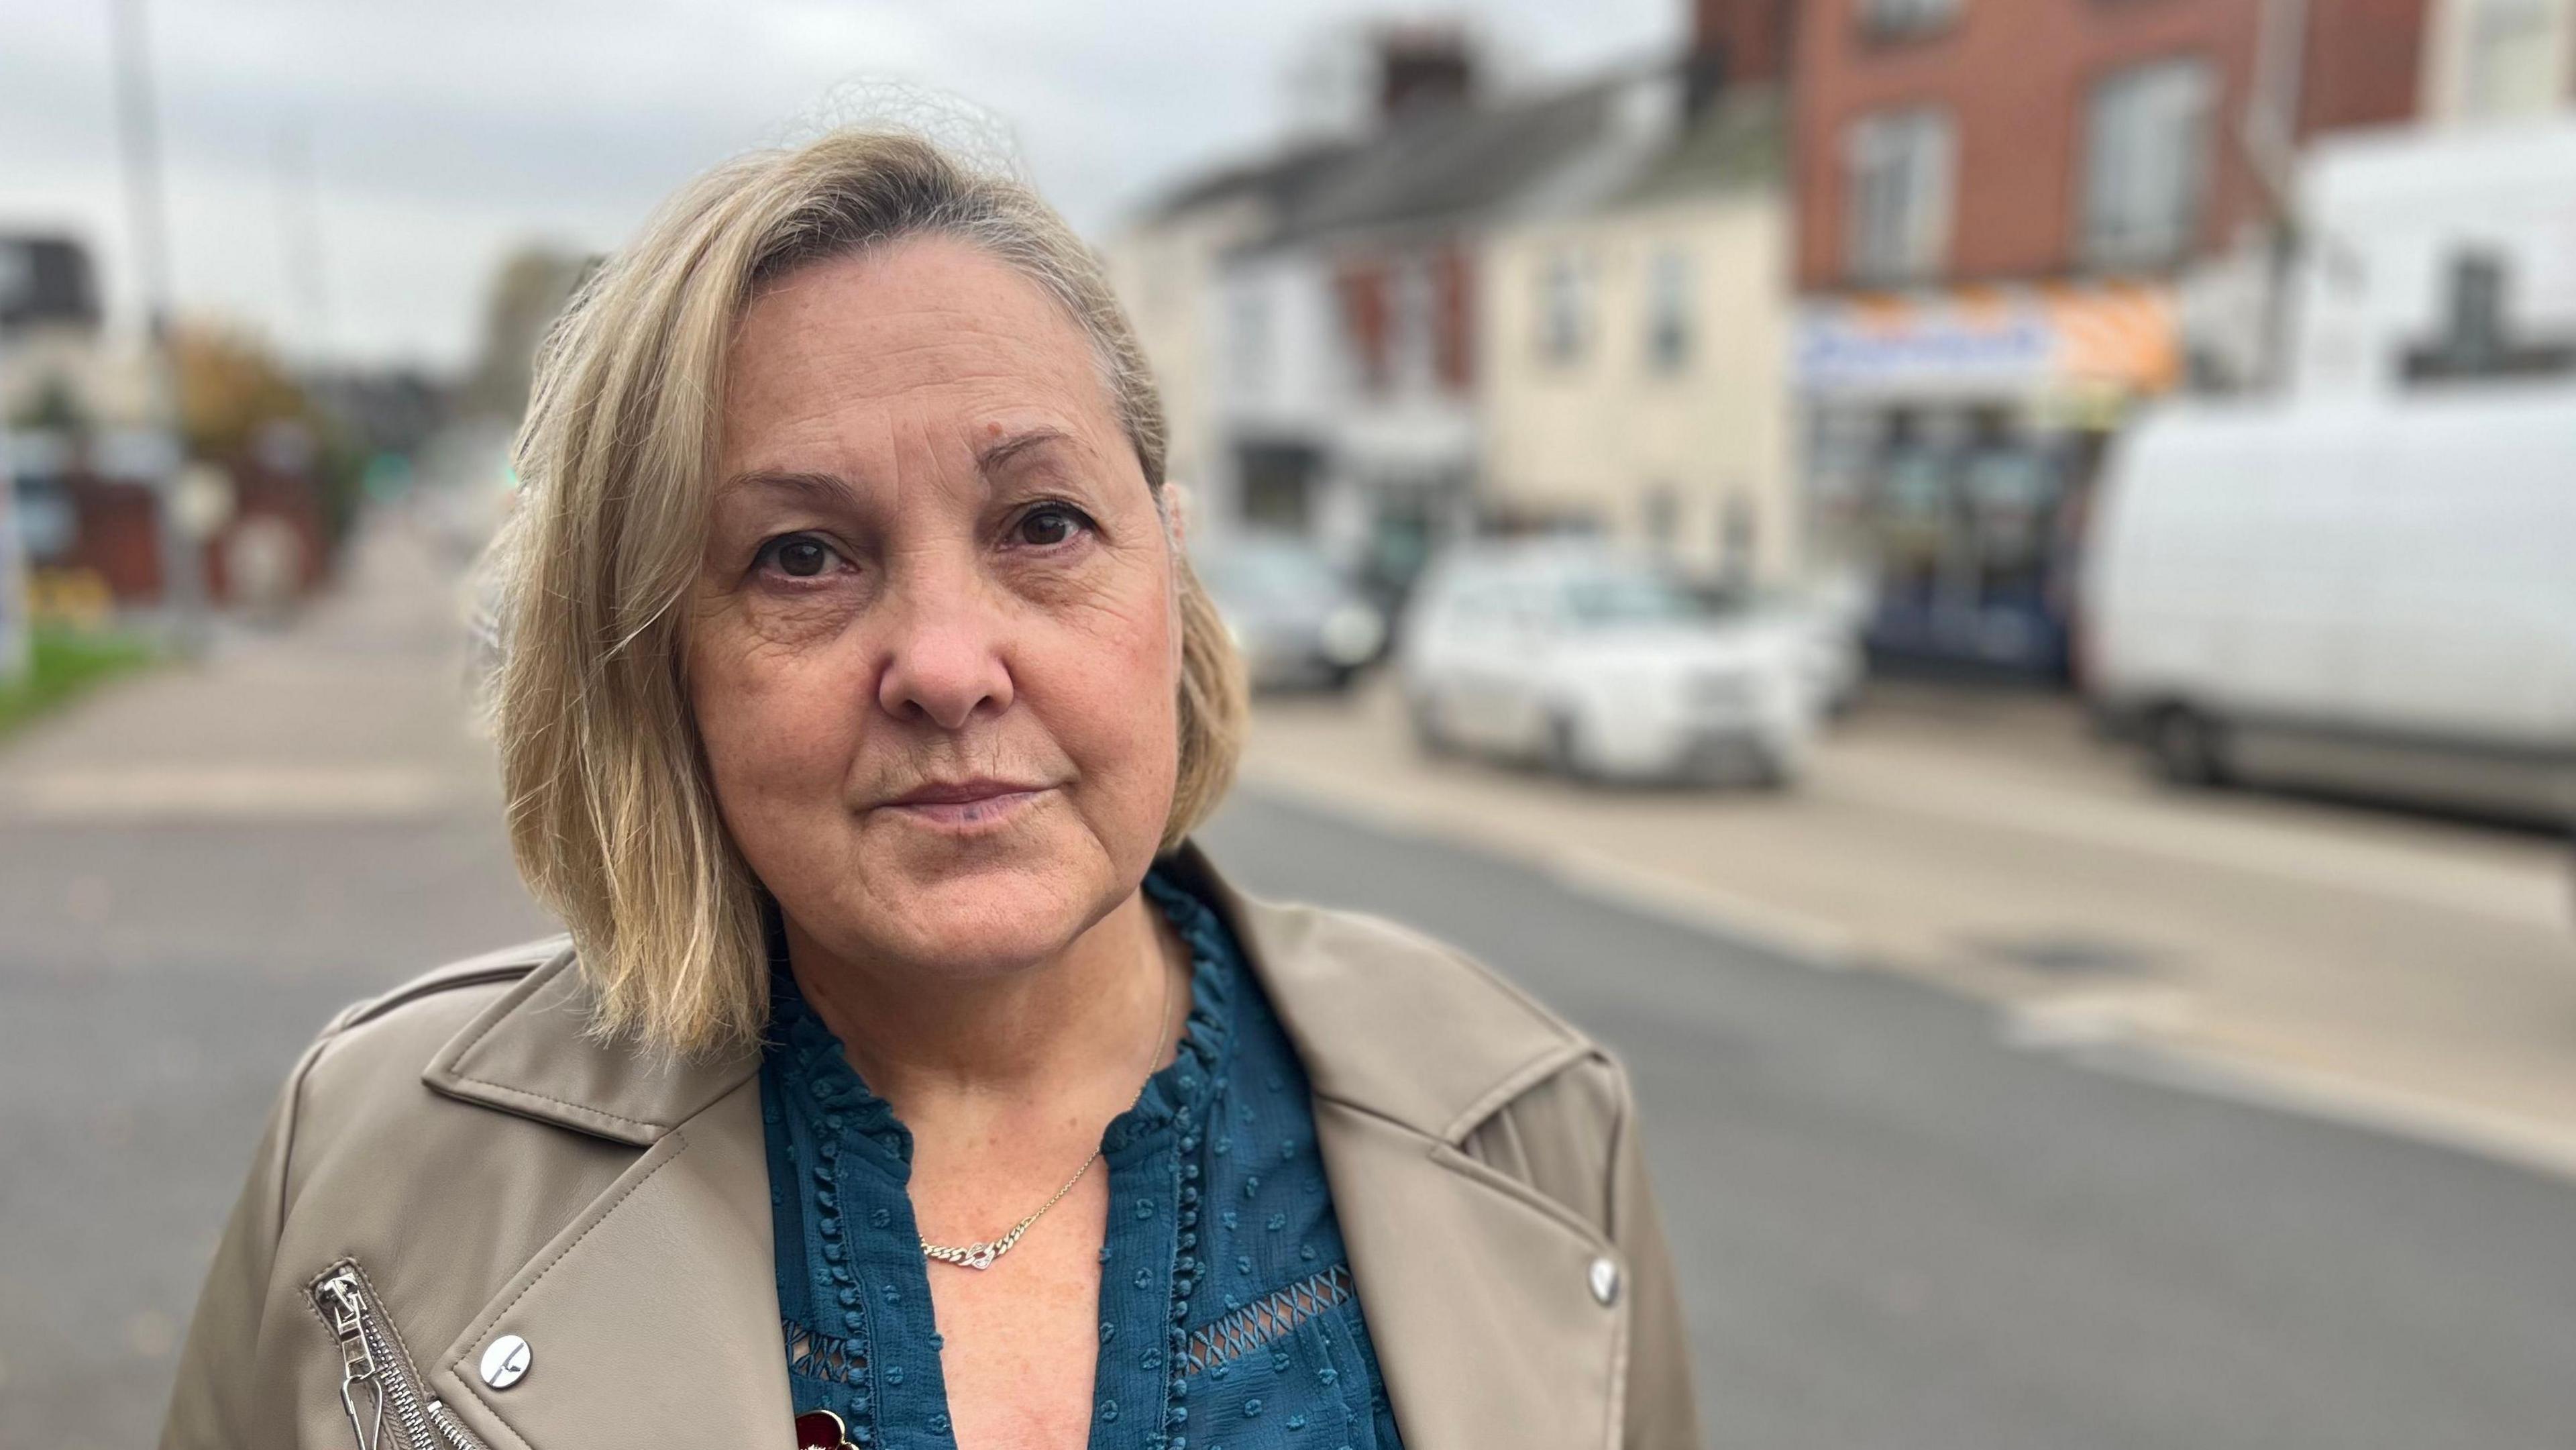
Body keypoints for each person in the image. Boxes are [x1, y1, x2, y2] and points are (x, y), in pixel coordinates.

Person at [159, 127, 1698, 1450]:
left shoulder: (1530, 1124)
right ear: (657, 665)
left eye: (1042, 523)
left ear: (1169, 565)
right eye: (802, 555)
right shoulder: (378, 1168)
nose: (948, 666)